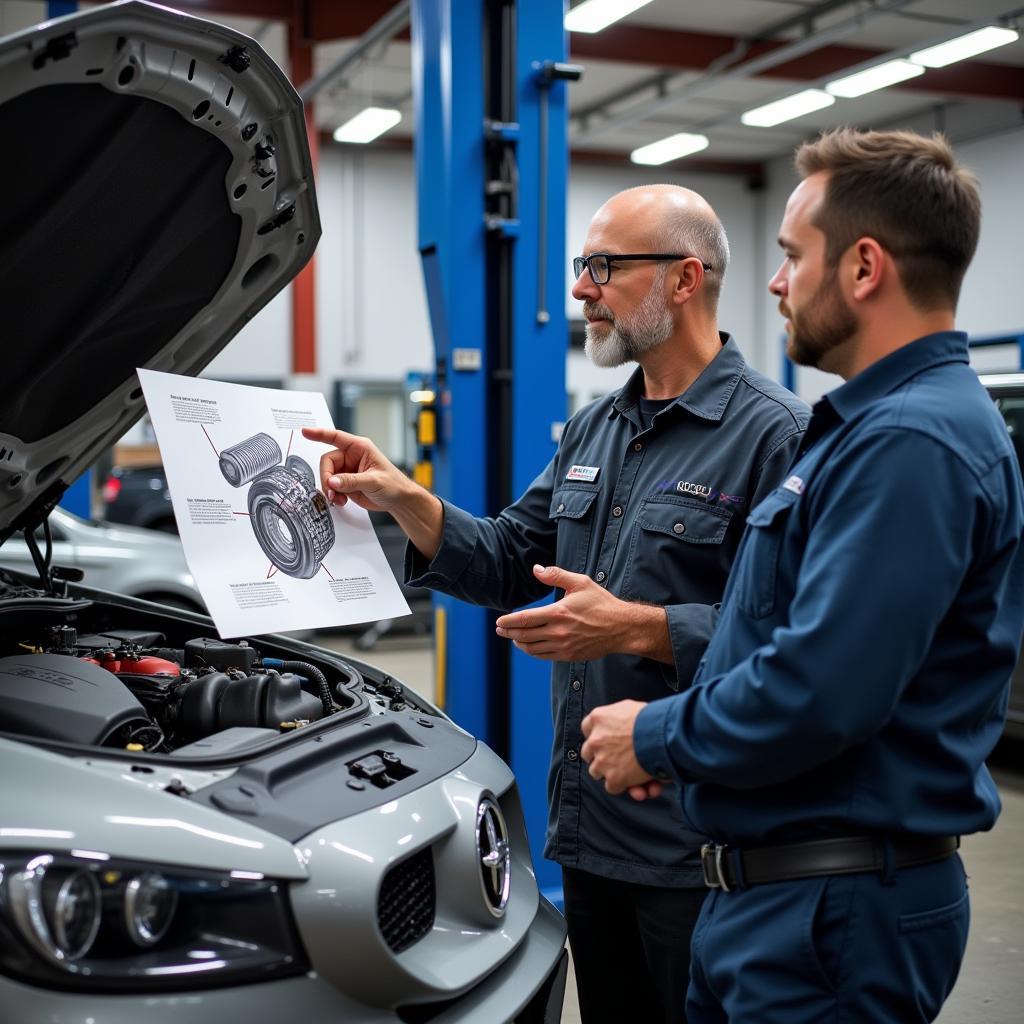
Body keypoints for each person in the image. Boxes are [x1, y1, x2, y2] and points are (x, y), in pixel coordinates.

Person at [303, 184, 809, 1024]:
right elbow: (511, 557)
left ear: (685, 280)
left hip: (701, 853)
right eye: (584, 266)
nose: (581, 289)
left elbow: (797, 643)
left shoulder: (776, 436)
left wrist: (640, 629)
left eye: (604, 267)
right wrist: (406, 498)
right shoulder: (594, 429)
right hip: (588, 835)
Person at [580, 129, 1024, 1023]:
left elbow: (823, 686)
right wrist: (706, 758)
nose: (777, 283)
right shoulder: (867, 428)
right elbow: (778, 641)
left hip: (829, 917)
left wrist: (659, 734)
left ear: (864, 269)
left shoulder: (909, 442)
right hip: (782, 899)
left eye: (790, 257)